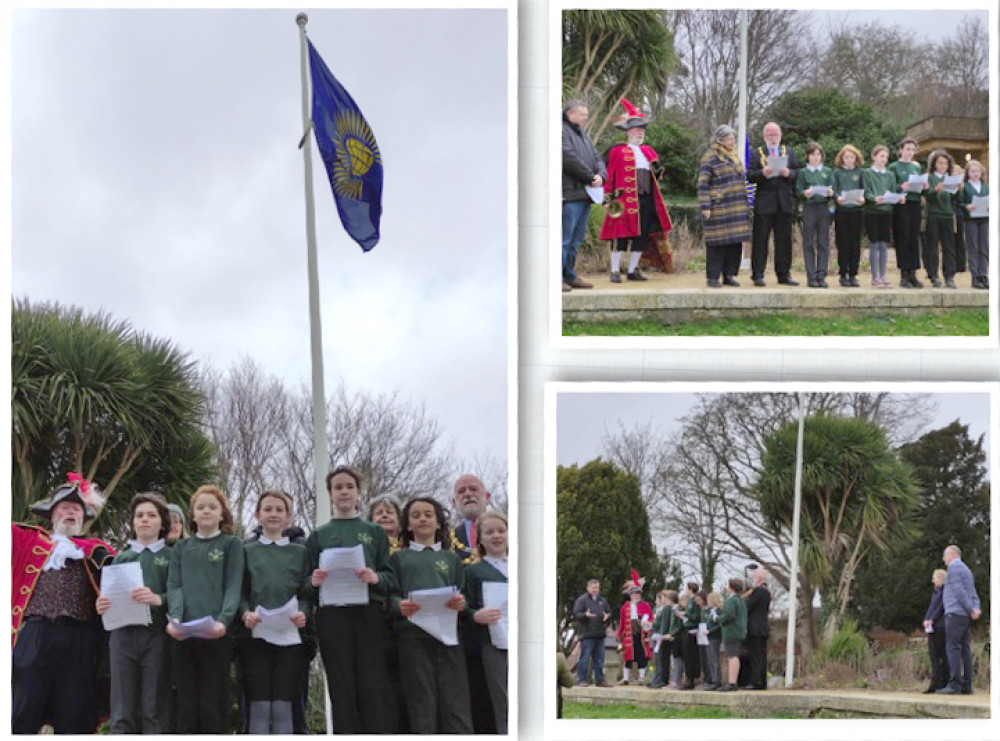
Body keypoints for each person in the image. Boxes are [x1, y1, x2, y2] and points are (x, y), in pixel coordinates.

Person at [12, 474, 115, 734]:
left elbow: (120, 587)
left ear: (83, 517)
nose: (71, 512)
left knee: (75, 714)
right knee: (21, 709)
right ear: (52, 515)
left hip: (79, 640)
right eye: (65, 507)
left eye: (76, 509)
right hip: (35, 634)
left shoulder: (100, 550)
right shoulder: (27, 540)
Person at [306, 466, 396, 734]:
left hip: (368, 615)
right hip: (332, 617)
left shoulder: (375, 533)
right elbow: (304, 586)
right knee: (341, 686)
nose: (344, 492)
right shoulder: (318, 536)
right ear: (330, 494)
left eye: (349, 487)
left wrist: (375, 577)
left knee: (372, 685)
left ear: (358, 492)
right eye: (338, 487)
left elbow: (391, 579)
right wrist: (314, 581)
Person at [389, 497, 473, 733]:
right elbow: (391, 596)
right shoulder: (399, 559)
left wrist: (461, 603)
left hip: (448, 639)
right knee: (421, 702)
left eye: (428, 514)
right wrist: (399, 605)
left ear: (438, 523)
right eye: (416, 515)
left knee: (455, 703)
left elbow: (464, 596)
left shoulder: (451, 559)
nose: (422, 519)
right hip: (413, 639)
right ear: (407, 525)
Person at [165, 484, 244, 734]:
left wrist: (224, 620)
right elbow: (175, 586)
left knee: (213, 703)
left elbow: (233, 586)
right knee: (187, 705)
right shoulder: (180, 548)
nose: (206, 511)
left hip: (217, 635)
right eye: (200, 507)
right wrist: (174, 619)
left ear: (222, 514)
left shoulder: (231, 545)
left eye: (212, 506)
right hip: (184, 636)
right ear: (193, 515)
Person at [96, 492, 172, 734]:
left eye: (152, 515)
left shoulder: (172, 556)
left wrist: (158, 598)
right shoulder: (120, 557)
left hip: (157, 637)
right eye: (139, 515)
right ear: (132, 522)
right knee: (121, 711)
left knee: (153, 709)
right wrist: (102, 606)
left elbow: (183, 595)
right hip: (122, 638)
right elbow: (109, 596)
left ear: (162, 522)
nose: (145, 520)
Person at [240, 489, 310, 734]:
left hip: (289, 638)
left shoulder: (300, 552)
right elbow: (240, 591)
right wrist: (245, 613)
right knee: (258, 703)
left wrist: (303, 612)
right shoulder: (246, 551)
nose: (273, 514)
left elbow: (306, 591)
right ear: (258, 515)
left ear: (289, 517)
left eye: (279, 510)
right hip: (255, 637)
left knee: (284, 703)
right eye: (268, 509)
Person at [599, 98, 673, 283]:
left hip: (647, 199)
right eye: (636, 130)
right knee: (620, 236)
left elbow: (657, 174)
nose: (640, 133)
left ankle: (632, 270)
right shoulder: (617, 151)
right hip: (622, 200)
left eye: (642, 130)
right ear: (628, 131)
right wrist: (606, 198)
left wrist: (659, 170)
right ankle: (615, 270)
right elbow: (610, 174)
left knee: (641, 236)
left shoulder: (649, 151)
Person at [449, 473, 496, 732]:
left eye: (473, 489)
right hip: (465, 631)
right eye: (461, 491)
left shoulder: (508, 531)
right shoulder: (447, 539)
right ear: (455, 501)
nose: (468, 494)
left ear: (486, 496)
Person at [462, 510, 509, 734]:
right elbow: (463, 607)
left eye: (501, 530)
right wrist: (475, 615)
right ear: (480, 538)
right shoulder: (473, 571)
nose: (496, 536)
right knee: (504, 703)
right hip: (493, 644)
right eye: (489, 532)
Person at [697, 124, 751, 288]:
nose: (732, 141)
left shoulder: (735, 156)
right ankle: (713, 277)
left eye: (733, 138)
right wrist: (705, 206)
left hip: (737, 207)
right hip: (719, 207)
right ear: (720, 140)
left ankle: (729, 275)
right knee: (717, 243)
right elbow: (702, 183)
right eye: (729, 138)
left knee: (735, 243)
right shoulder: (710, 157)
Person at [748, 121, 800, 286]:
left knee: (784, 240)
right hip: (764, 203)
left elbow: (798, 173)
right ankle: (757, 274)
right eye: (770, 135)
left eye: (775, 135)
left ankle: (784, 274)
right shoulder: (756, 154)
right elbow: (749, 175)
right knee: (760, 240)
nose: (773, 138)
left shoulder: (789, 152)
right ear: (764, 137)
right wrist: (762, 173)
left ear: (780, 136)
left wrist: (788, 173)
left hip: (784, 203)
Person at [562, 98, 606, 292]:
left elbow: (597, 158)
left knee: (576, 240)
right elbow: (567, 157)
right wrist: (590, 176)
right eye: (582, 114)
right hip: (569, 195)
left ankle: (570, 275)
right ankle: (556, 278)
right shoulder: (561, 131)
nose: (586, 117)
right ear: (570, 113)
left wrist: (601, 176)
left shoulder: (583, 135)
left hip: (585, 195)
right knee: (564, 239)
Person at [936, 545, 981, 695]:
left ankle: (954, 684)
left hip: (954, 613)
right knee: (965, 649)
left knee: (953, 648)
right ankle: (966, 685)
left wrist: (970, 608)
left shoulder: (954, 569)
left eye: (945, 556)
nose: (943, 559)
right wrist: (975, 608)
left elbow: (959, 592)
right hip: (964, 616)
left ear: (952, 555)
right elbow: (972, 592)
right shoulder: (967, 570)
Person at [888, 137, 927, 288]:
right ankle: (904, 273)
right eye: (907, 149)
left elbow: (920, 186)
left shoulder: (916, 167)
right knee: (902, 237)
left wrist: (924, 186)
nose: (910, 152)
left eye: (912, 150)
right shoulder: (894, 167)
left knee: (913, 237)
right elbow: (890, 187)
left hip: (915, 203)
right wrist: (900, 187)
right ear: (901, 150)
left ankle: (913, 273)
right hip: (901, 204)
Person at [796, 141, 835, 288]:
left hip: (824, 208)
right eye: (813, 154)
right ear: (807, 156)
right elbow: (798, 191)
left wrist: (831, 192)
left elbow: (834, 190)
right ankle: (811, 276)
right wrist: (804, 193)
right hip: (809, 208)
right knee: (808, 242)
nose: (816, 157)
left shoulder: (827, 171)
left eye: (818, 154)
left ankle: (821, 275)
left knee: (823, 242)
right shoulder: (803, 172)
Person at [862, 145, 896, 288]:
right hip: (872, 212)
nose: (884, 159)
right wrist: (875, 198)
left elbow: (893, 191)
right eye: (881, 156)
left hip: (886, 212)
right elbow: (866, 191)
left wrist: (895, 198)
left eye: (886, 157)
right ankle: (874, 276)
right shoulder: (867, 173)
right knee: (874, 243)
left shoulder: (890, 175)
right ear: (874, 156)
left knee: (884, 244)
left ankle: (883, 275)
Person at [832, 144, 866, 287]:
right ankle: (843, 273)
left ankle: (853, 274)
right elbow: (834, 189)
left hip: (856, 211)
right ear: (842, 158)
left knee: (855, 244)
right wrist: (837, 197)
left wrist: (863, 199)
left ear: (856, 158)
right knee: (843, 243)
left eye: (852, 157)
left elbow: (864, 189)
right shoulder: (837, 173)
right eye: (846, 157)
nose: (849, 159)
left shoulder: (860, 172)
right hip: (842, 211)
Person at [925, 149, 959, 288]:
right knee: (932, 247)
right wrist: (935, 190)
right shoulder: (929, 177)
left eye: (945, 163)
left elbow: (955, 200)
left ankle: (949, 276)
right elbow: (926, 196)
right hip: (933, 215)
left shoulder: (950, 178)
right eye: (940, 163)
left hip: (947, 215)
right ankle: (933, 275)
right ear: (934, 164)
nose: (943, 166)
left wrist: (959, 189)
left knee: (949, 246)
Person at [572, 579, 612, 687]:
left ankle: (600, 680)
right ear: (588, 588)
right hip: (587, 634)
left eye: (597, 588)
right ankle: (582, 679)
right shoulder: (582, 600)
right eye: (593, 588)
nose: (595, 590)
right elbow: (576, 614)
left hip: (600, 634)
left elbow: (609, 613)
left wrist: (607, 617)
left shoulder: (602, 601)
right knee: (585, 658)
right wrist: (585, 615)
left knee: (599, 659)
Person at [615, 574, 653, 685]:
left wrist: (648, 627)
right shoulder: (624, 607)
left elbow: (651, 619)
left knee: (641, 656)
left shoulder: (646, 606)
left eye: (638, 594)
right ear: (630, 595)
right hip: (628, 636)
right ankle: (626, 679)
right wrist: (619, 635)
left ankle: (642, 678)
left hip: (641, 635)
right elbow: (622, 622)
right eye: (634, 594)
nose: (636, 596)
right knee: (627, 657)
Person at [959, 159, 989, 290]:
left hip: (984, 218)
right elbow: (959, 203)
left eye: (977, 171)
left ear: (981, 172)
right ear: (968, 173)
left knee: (984, 248)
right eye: (972, 171)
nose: (975, 173)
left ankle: (984, 275)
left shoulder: (985, 187)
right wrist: (966, 206)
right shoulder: (965, 186)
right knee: (973, 247)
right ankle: (975, 276)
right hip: (970, 219)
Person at [717, 577, 748, 692]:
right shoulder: (741, 600)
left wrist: (718, 618)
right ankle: (733, 681)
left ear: (731, 588)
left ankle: (732, 682)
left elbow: (728, 615)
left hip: (731, 632)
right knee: (734, 656)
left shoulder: (731, 600)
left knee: (732, 656)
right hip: (739, 631)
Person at [742, 567, 771, 690]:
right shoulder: (766, 592)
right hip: (762, 627)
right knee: (761, 656)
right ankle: (762, 681)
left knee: (756, 657)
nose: (753, 578)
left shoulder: (758, 591)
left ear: (758, 578)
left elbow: (748, 607)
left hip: (756, 627)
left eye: (754, 576)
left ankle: (756, 681)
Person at [922, 568, 948, 694]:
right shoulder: (936, 592)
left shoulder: (944, 592)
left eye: (935, 578)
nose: (933, 580)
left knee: (941, 654)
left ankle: (942, 681)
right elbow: (932, 607)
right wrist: (927, 619)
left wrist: (932, 619)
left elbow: (940, 608)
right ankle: (935, 682)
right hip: (932, 626)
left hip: (940, 626)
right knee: (933, 655)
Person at [703, 592, 724, 691]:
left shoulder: (718, 611)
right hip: (708, 637)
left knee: (714, 659)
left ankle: (717, 680)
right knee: (710, 659)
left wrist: (710, 631)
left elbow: (719, 625)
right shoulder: (710, 611)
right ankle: (712, 679)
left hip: (714, 637)